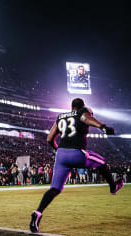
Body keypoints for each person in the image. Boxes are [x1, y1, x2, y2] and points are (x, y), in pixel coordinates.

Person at [30, 98, 124, 233]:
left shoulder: (61, 116)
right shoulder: (83, 112)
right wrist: (102, 127)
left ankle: (38, 213)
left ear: (71, 106)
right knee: (102, 162)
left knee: (54, 189)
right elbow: (86, 118)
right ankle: (113, 187)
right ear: (82, 107)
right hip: (76, 153)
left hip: (61, 156)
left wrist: (57, 149)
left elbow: (49, 139)